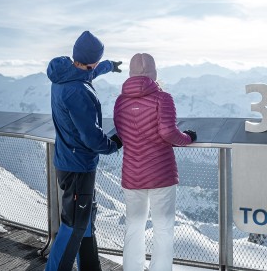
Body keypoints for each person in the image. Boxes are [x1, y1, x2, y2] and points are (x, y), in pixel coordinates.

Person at [45, 30, 124, 271]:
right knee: (74, 224)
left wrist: (108, 66)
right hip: (79, 164)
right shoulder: (78, 91)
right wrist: (114, 144)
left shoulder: (64, 75)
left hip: (67, 160)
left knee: (85, 219)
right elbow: (90, 136)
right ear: (93, 59)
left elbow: (88, 71)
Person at [113, 53, 197, 271]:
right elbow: (168, 132)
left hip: (132, 173)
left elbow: (122, 133)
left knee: (134, 226)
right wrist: (188, 138)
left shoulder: (120, 101)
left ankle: (132, 268)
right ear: (154, 73)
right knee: (163, 227)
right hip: (161, 173)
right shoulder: (163, 98)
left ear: (131, 74)